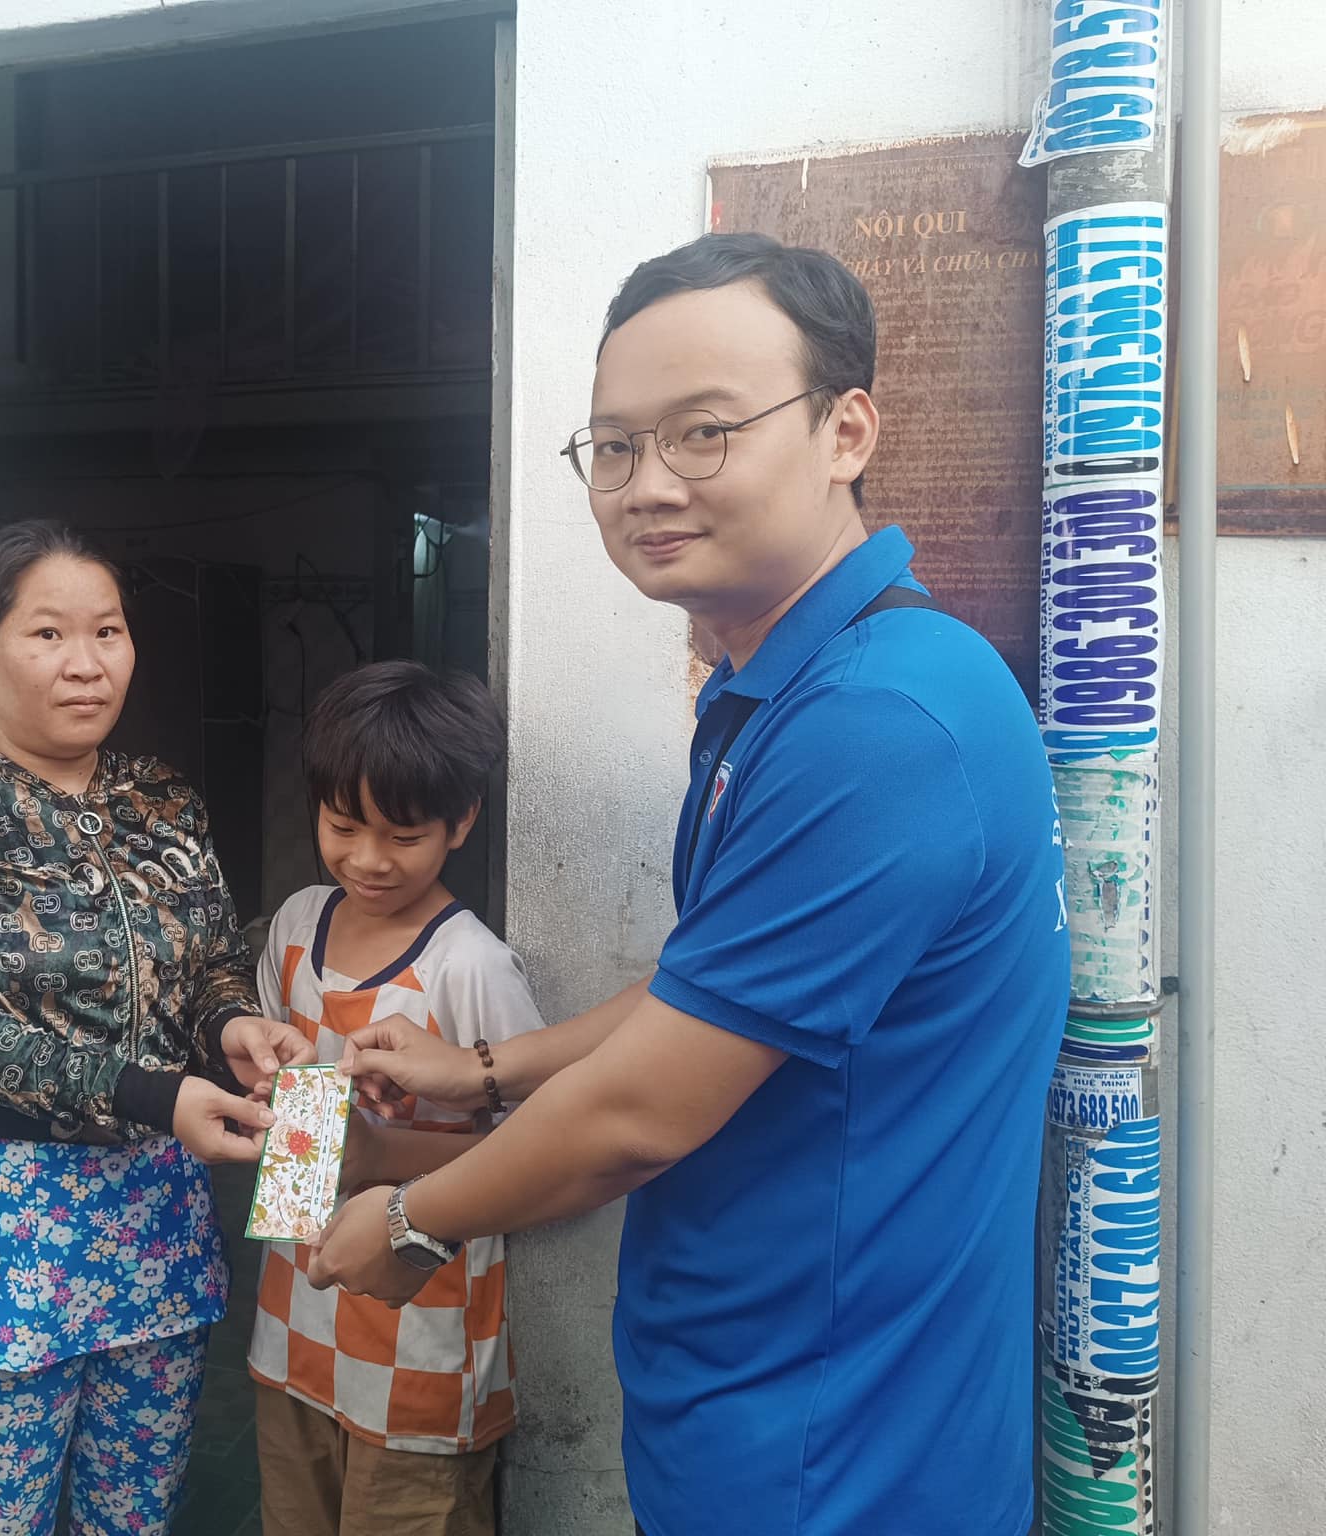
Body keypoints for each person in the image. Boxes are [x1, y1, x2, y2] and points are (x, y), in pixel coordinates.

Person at [305, 234, 1071, 1536]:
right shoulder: (779, 688)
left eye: (704, 432)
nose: (648, 484)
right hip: (761, 1404)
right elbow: (707, 988)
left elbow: (639, 1113)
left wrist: (414, 1222)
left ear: (845, 431)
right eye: (613, 447)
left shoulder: (879, 723)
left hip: (834, 1457)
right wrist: (484, 1073)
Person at [0, 519, 311, 1536]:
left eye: (107, 631)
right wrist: (152, 1091)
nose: (86, 663)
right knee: (2, 1522)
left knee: (135, 1514)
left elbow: (207, 960)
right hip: (5, 1227)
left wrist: (234, 1025)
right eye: (48, 634)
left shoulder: (163, 800)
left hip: (156, 1216)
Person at [246, 662, 544, 1536]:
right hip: (293, 1325)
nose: (368, 859)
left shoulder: (470, 966)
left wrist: (380, 1150)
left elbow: (543, 1151)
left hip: (423, 1351)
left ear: (463, 822)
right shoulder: (298, 924)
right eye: (343, 826)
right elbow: (290, 1131)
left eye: (403, 835)